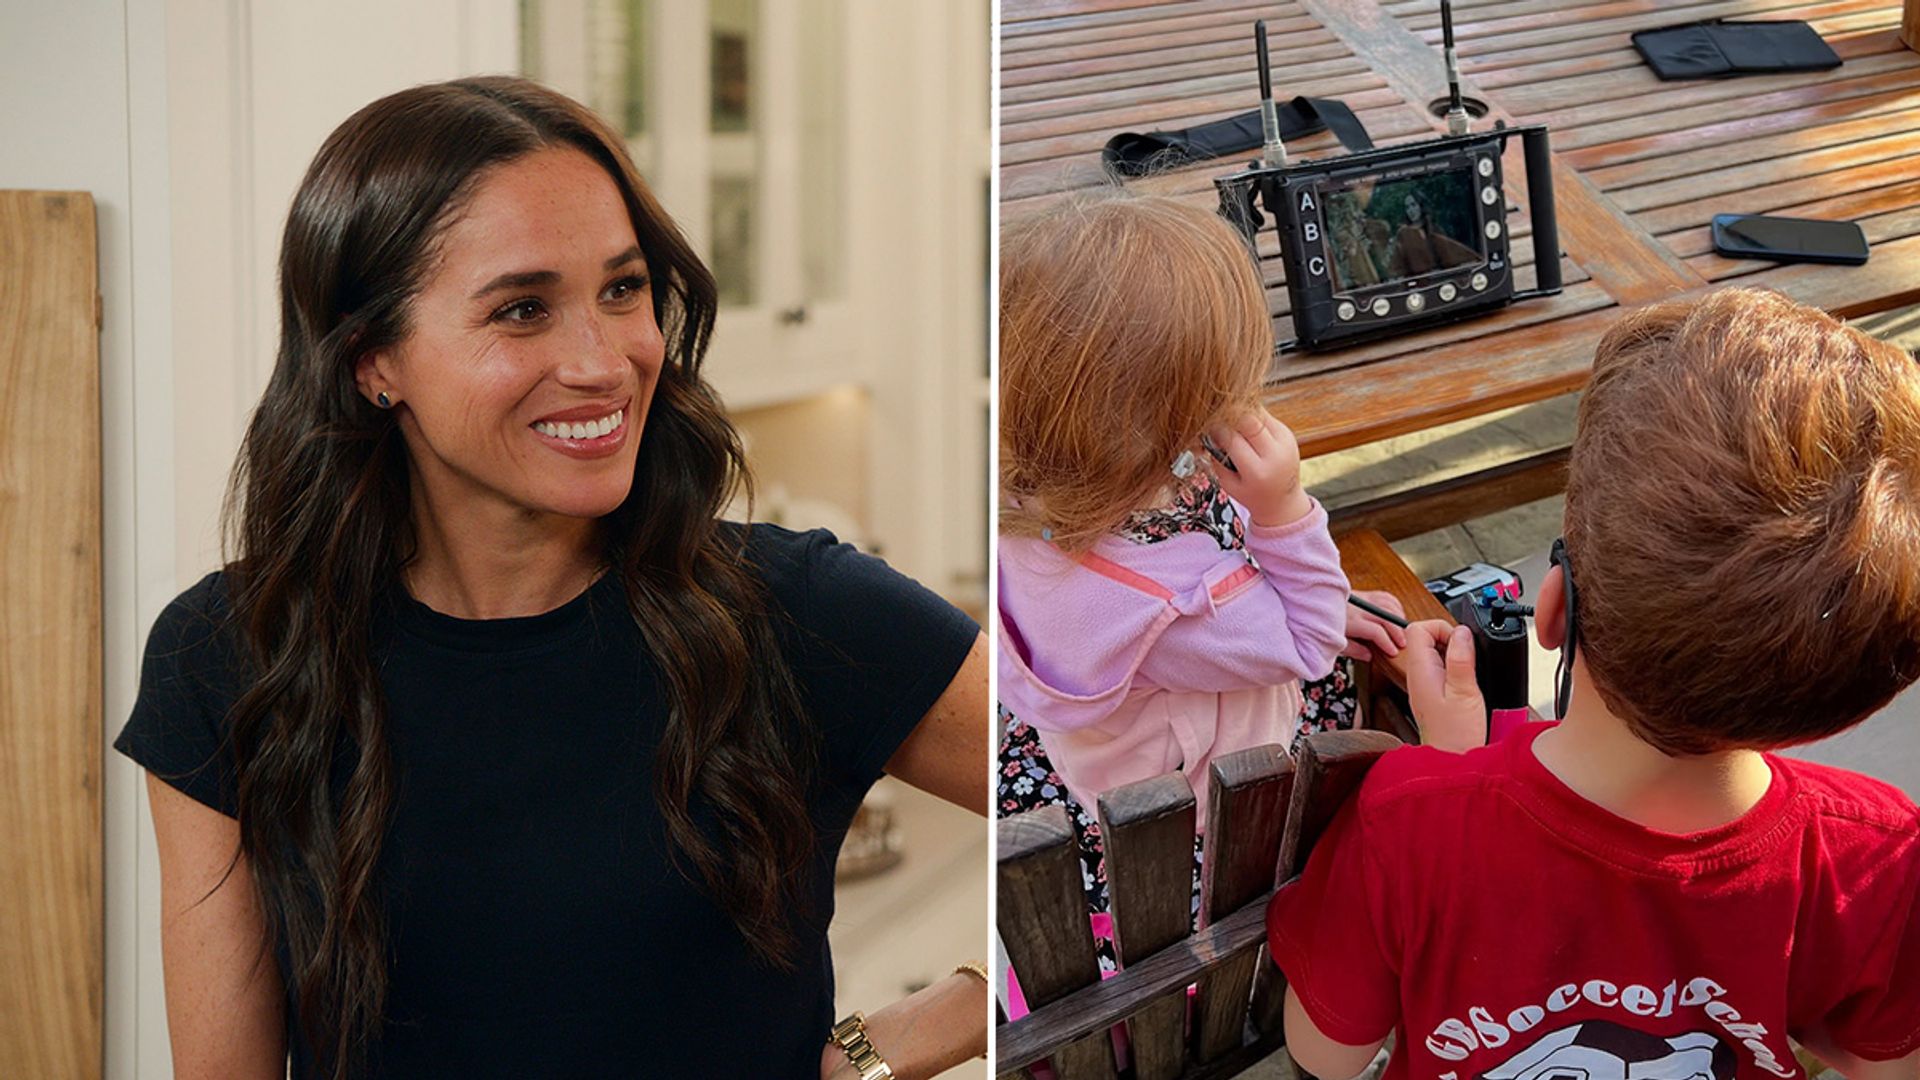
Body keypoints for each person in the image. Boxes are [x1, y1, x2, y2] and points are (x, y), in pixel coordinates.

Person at [114, 76, 989, 1080]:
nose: (604, 361)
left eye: (622, 289)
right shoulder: (227, 655)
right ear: (371, 361)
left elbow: (1092, 811)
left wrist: (908, 1036)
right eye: (523, 309)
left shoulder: (803, 613)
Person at [1269, 288, 1920, 1080]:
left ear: (1552, 607)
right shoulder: (1880, 855)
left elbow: (1325, 1055)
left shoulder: (1407, 820)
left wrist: (1450, 770)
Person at [995, 191, 1409, 968]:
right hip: (1198, 825)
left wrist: (1302, 597)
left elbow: (1204, 550)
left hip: (1096, 767)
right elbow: (1309, 644)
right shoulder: (1177, 607)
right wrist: (1283, 511)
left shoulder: (1033, 498)